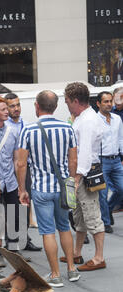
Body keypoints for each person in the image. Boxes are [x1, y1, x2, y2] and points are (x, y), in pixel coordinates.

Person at [18, 91, 79, 287]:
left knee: (47, 232)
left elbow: (21, 164)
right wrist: (71, 181)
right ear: (55, 106)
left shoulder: (28, 130)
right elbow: (73, 159)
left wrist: (22, 189)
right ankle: (71, 269)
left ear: (37, 106)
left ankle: (55, 274)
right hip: (63, 188)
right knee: (64, 227)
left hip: (41, 187)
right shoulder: (67, 128)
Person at [64, 82, 106, 272]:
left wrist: (77, 176)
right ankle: (77, 252)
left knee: (92, 214)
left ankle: (99, 257)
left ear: (75, 101)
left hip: (85, 173)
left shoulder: (88, 120)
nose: (66, 105)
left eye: (67, 101)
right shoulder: (83, 116)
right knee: (79, 215)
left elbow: (86, 152)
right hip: (81, 172)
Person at [0, 99, 30, 267]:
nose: (7, 112)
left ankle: (13, 249)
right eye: (3, 109)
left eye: (8, 108)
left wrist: (21, 187)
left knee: (15, 216)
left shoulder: (13, 131)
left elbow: (16, 159)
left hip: (10, 181)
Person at [4, 92, 42, 253]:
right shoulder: (3, 127)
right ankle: (11, 242)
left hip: (26, 171)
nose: (16, 109)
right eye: (12, 106)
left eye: (18, 105)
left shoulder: (27, 125)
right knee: (12, 209)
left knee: (25, 206)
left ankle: (24, 239)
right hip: (9, 173)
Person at [96, 91, 123, 233]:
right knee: (102, 193)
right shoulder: (94, 120)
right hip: (102, 161)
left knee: (121, 189)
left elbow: (121, 139)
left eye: (110, 101)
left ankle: (109, 209)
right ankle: (105, 221)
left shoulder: (117, 119)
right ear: (98, 103)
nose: (108, 104)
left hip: (116, 160)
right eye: (105, 101)